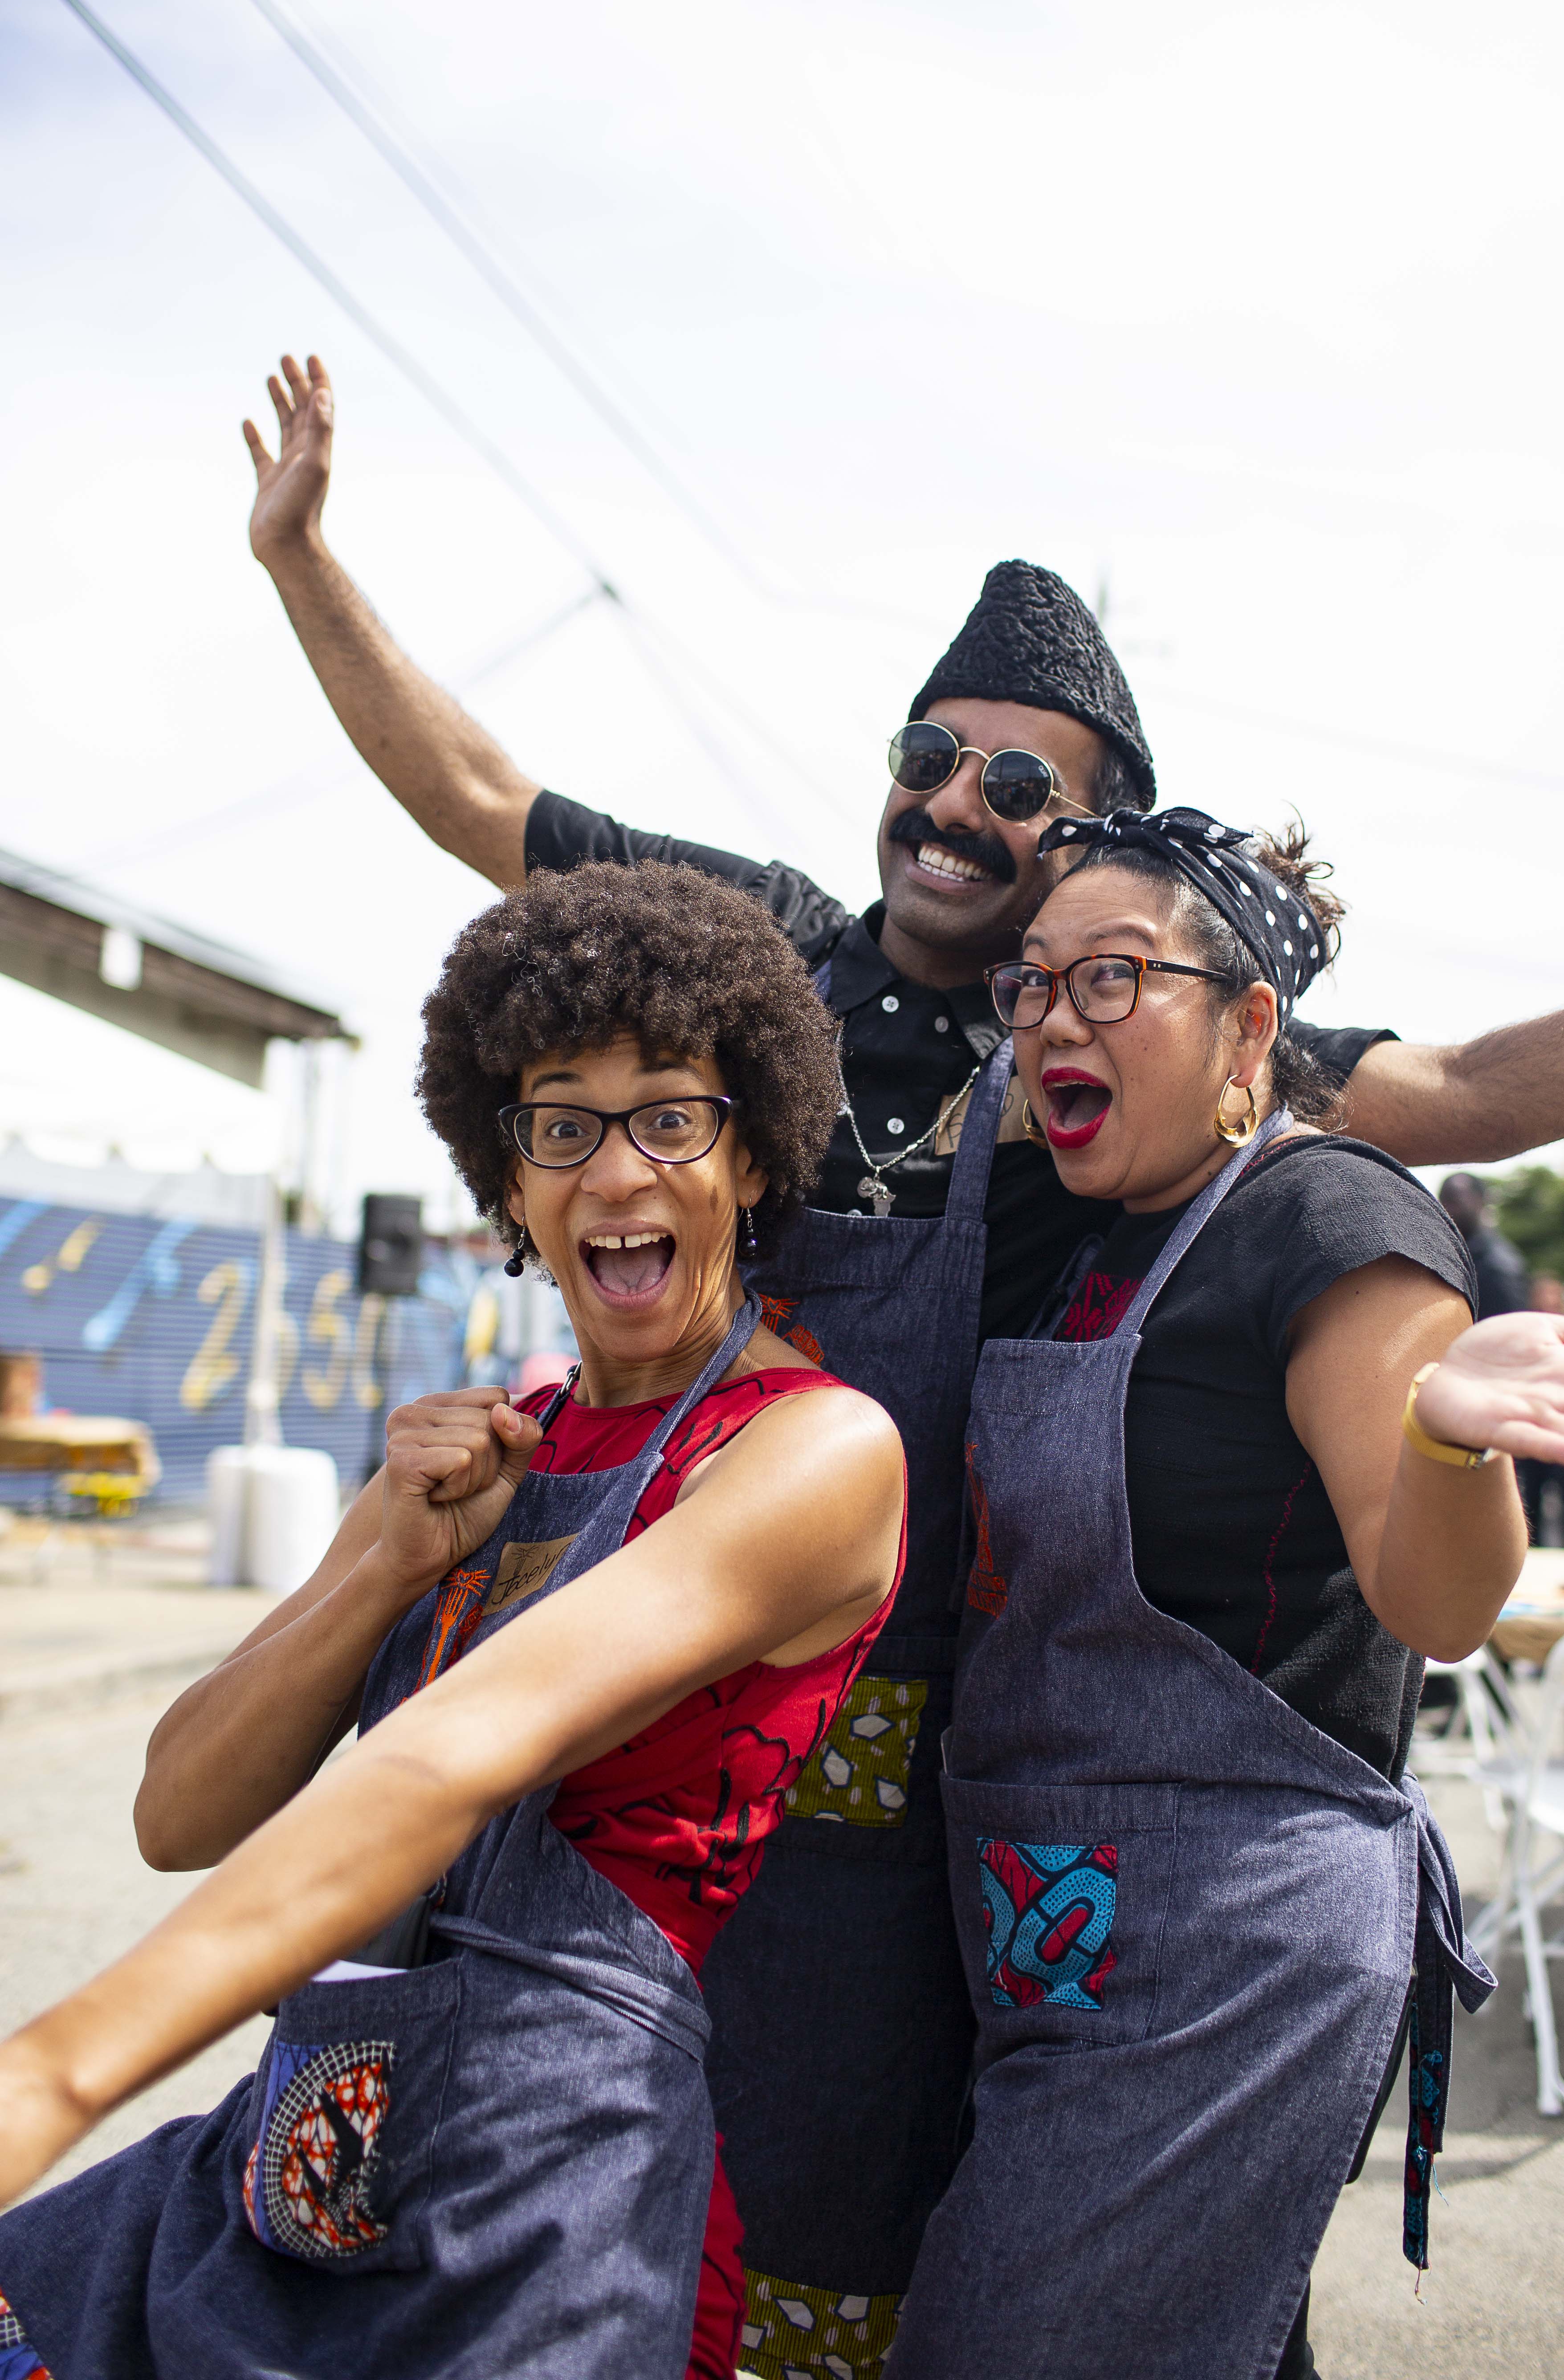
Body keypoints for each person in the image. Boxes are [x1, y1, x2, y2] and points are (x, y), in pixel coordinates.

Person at [243, 354, 1564, 2362]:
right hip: (678, 1699)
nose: (951, 801)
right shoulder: (753, 952)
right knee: (593, 2196)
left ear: (1110, 880)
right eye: (931, 749)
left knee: (953, 2241)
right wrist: (303, 559)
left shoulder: (1145, 1061)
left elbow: (1464, 1084)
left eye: (1019, 788)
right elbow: (482, 804)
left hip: (954, 1805)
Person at [0, 861, 905, 2380]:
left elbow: (457, 1756)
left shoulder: (810, 1453)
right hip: (299, 2171)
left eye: (672, 1116)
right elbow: (176, 1808)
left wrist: (55, 2073)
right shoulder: (467, 1456)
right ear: (508, 1182)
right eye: (562, 1125)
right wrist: (381, 1568)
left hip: (554, 2209)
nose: (619, 1174)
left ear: (752, 1161)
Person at [885, 804, 1564, 2380]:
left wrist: (1450, 1440)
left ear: (1251, 1025)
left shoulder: (1329, 1218)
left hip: (1226, 1951)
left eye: (1112, 980)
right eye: (1035, 986)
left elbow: (1438, 1605)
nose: (1056, 1016)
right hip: (1052, 1930)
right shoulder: (1085, 1242)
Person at [1439, 1170, 1531, 1318]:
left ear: (1480, 1200)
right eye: (1443, 1201)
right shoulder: (1455, 1252)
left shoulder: (1497, 1265)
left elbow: (1507, 1328)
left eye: (1454, 1201)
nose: (1446, 1210)